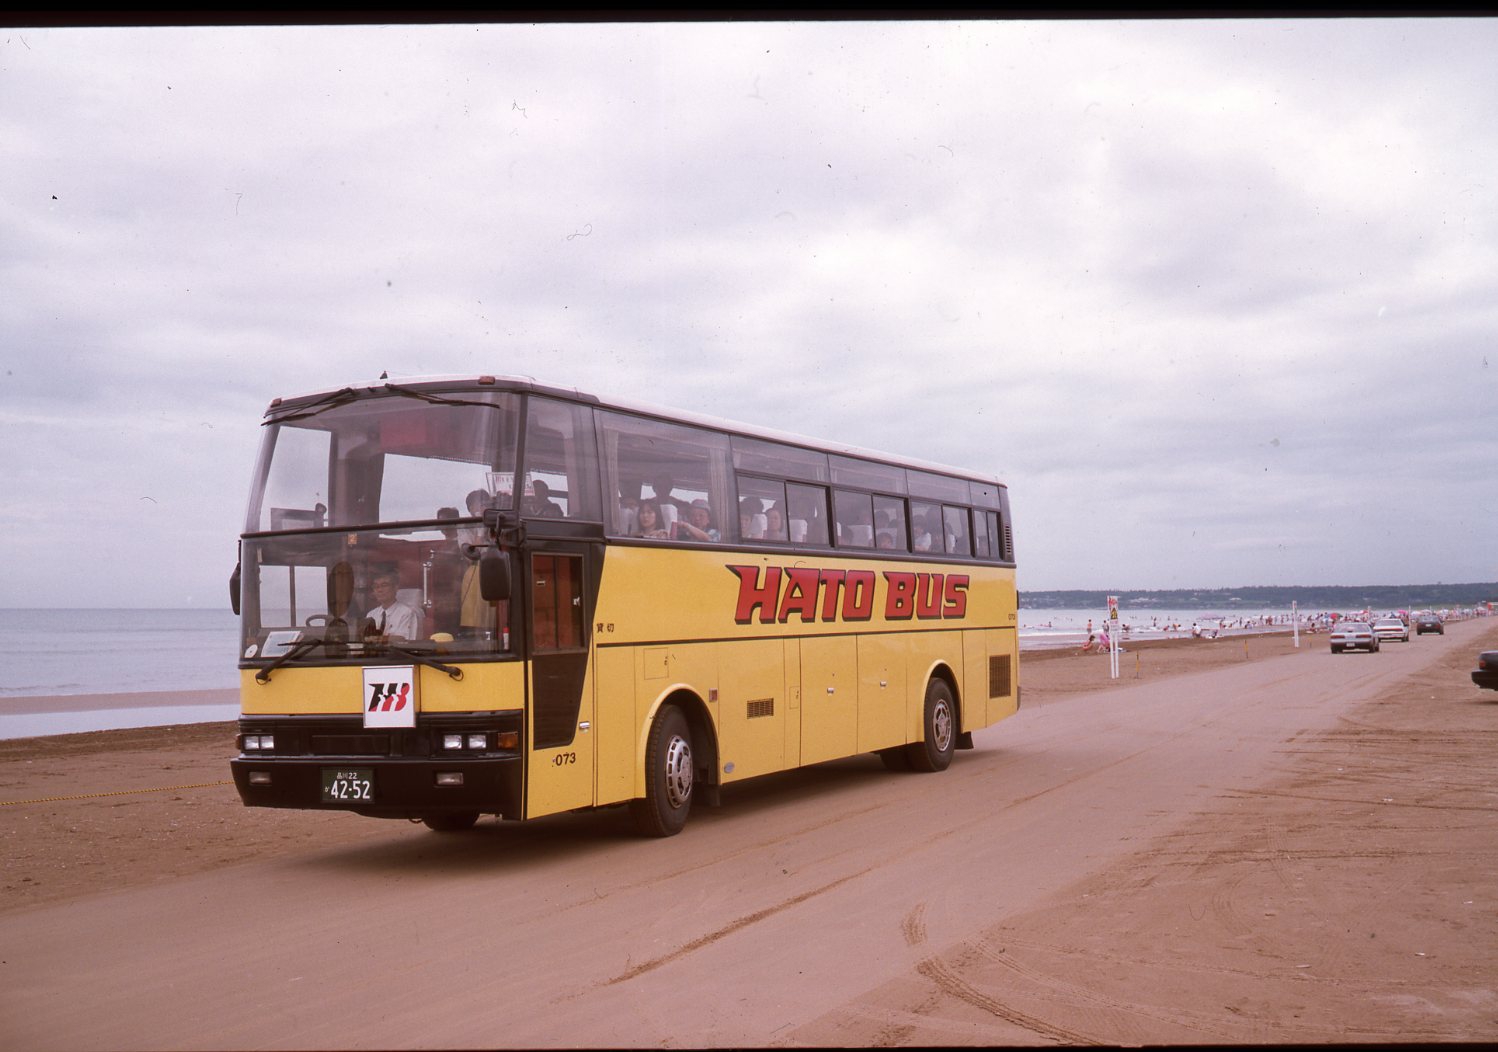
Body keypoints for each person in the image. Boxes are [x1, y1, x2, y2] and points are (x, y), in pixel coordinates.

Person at [362, 570, 421, 640]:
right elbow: (365, 639)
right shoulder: (371, 614)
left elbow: (404, 640)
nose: (379, 590)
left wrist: (376, 639)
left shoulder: (407, 612)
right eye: (376, 586)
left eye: (384, 585)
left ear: (395, 588)